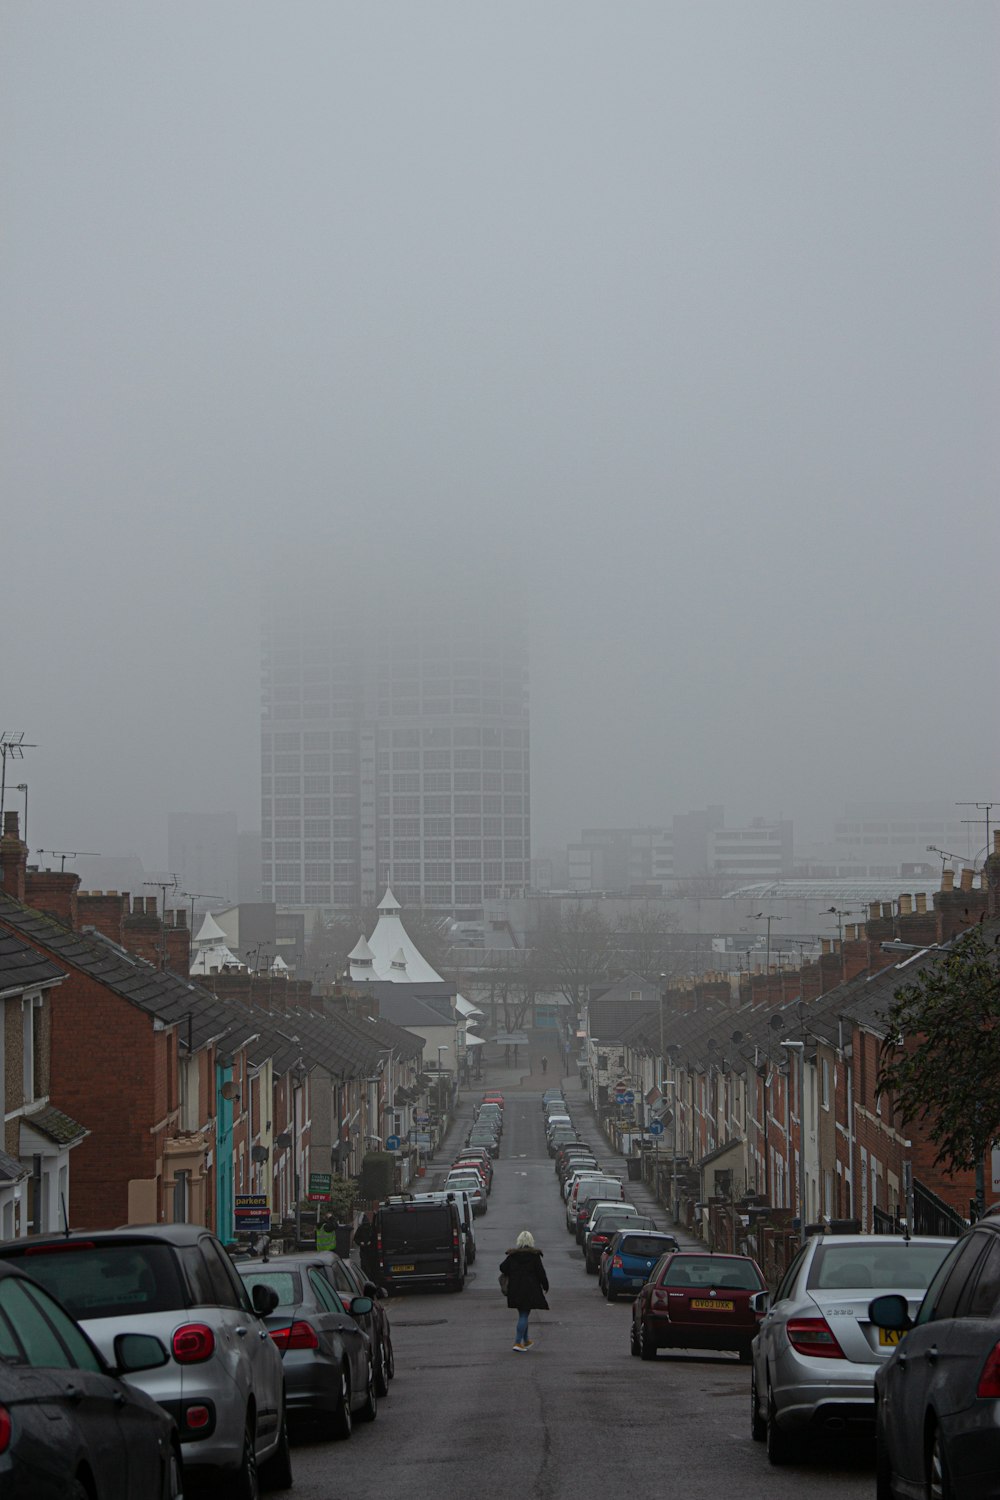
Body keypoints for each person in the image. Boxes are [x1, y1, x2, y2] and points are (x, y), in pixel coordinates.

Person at [499, 1230, 549, 1351]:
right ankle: (517, 1342)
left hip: (515, 1290)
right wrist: (545, 1285)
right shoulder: (534, 1256)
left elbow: (502, 1267)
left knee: (523, 1313)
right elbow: (541, 1273)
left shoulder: (512, 1256)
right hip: (530, 1290)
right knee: (524, 1314)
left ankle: (526, 1340)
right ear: (531, 1241)